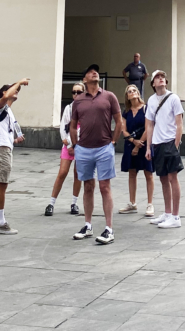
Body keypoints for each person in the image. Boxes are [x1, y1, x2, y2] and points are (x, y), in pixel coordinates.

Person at [70, 64, 123, 245]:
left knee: (104, 186)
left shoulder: (109, 96)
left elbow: (119, 121)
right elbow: (72, 124)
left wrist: (113, 141)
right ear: (85, 79)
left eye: (96, 71)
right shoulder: (78, 100)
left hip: (103, 148)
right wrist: (75, 144)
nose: (95, 73)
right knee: (87, 186)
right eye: (90, 72)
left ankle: (109, 228)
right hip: (83, 149)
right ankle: (87, 225)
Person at [0, 78, 27, 235]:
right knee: (2, 184)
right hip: (2, 150)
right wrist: (19, 82)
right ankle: (0, 222)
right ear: (4, 92)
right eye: (13, 89)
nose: (16, 91)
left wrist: (15, 140)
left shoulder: (8, 111)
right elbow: (5, 97)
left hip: (3, 147)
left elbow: (3, 132)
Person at [143, 69, 185, 229]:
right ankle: (167, 213)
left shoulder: (173, 98)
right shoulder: (151, 100)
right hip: (157, 144)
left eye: (162, 77)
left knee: (172, 178)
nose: (160, 79)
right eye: (157, 77)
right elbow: (150, 125)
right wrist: (148, 147)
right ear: (153, 83)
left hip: (169, 142)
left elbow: (179, 124)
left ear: (166, 82)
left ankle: (175, 216)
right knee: (162, 178)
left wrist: (175, 144)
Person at [45, 83, 84, 216]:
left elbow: (84, 128)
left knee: (78, 175)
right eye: (74, 92)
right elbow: (63, 127)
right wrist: (68, 144)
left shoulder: (87, 108)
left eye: (79, 92)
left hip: (81, 145)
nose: (76, 95)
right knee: (62, 173)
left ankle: (74, 202)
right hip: (68, 144)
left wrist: (76, 143)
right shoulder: (69, 108)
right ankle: (51, 203)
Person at [118, 84, 155, 217]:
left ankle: (150, 204)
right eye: (129, 91)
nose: (132, 92)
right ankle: (132, 203)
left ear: (138, 93)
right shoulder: (126, 112)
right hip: (130, 144)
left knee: (148, 173)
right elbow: (123, 129)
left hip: (144, 144)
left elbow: (148, 127)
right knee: (132, 173)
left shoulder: (145, 108)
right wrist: (133, 142)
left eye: (134, 90)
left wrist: (139, 145)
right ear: (127, 96)